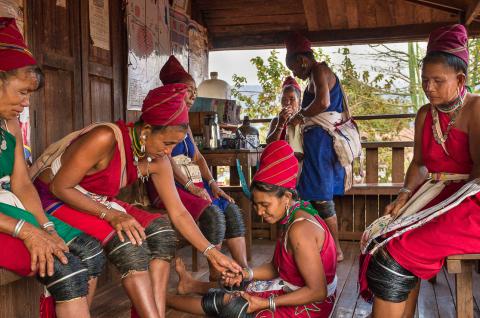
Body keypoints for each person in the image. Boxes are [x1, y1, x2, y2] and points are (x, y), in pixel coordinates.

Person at [32, 82, 241, 318]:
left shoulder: (159, 160)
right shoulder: (105, 138)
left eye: (174, 145)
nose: (169, 152)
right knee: (129, 243)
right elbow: (60, 187)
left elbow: (179, 213)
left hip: (95, 200)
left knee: (162, 232)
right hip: (53, 199)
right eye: (167, 143)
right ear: (146, 130)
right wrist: (111, 214)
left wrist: (212, 252)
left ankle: (155, 313)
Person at [359, 24, 480, 318]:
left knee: (393, 255)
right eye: (425, 80)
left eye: (438, 81)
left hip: (470, 202)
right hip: (436, 194)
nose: (429, 88)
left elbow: (477, 176)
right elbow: (420, 163)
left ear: (460, 79)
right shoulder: (425, 114)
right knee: (380, 238)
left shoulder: (476, 109)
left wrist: (432, 214)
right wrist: (404, 195)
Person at [0, 17, 106, 318]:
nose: (25, 103)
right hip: (5, 219)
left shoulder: (8, 123)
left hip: (12, 208)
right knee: (65, 268)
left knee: (90, 251)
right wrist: (26, 231)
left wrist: (44, 226)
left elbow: (21, 183)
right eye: (21, 92)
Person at [165, 140, 337, 318]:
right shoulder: (294, 211)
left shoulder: (300, 230)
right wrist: (245, 273)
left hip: (312, 306)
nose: (260, 212)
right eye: (256, 205)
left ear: (286, 196)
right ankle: (183, 289)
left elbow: (318, 291)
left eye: (265, 204)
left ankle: (164, 299)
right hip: (295, 289)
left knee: (233, 304)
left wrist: (265, 303)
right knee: (240, 288)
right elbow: (277, 267)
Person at [147, 55, 248, 278]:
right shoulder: (161, 118)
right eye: (187, 90)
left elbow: (198, 157)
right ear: (173, 91)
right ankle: (217, 276)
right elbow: (166, 159)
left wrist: (213, 184)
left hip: (193, 183)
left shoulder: (187, 124)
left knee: (230, 208)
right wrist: (190, 187)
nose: (193, 95)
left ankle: (243, 272)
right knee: (213, 214)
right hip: (169, 185)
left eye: (194, 90)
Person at [284, 33, 344, 261]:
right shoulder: (311, 77)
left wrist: (300, 115)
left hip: (322, 143)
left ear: (302, 60)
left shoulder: (319, 70)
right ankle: (321, 245)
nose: (294, 73)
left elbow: (323, 102)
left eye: (293, 67)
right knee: (311, 195)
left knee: (321, 196)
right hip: (315, 143)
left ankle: (336, 249)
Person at [266, 76, 301, 144]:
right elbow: (269, 144)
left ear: (299, 101)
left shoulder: (304, 120)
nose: (287, 103)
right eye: (284, 99)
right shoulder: (276, 121)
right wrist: (280, 124)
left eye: (292, 99)